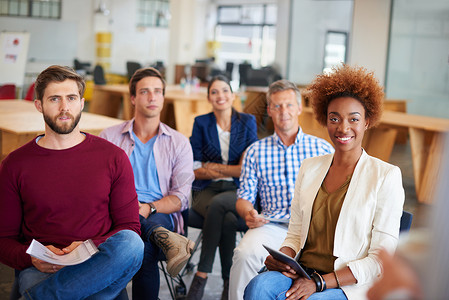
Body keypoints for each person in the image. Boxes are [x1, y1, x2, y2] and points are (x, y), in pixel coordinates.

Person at [244, 64, 405, 300]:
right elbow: (295, 234)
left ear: (367, 121)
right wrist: (283, 257)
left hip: (346, 284)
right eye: (334, 118)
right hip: (303, 272)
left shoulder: (385, 176)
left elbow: (380, 259)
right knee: (257, 288)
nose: (343, 127)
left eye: (354, 119)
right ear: (324, 119)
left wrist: (319, 283)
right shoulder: (310, 168)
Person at [0, 65, 144, 299]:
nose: (64, 108)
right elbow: (3, 240)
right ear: (39, 105)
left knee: (132, 244)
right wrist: (32, 257)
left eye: (71, 98)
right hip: (44, 269)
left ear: (81, 103)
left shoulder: (113, 157)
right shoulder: (15, 165)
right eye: (55, 98)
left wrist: (90, 247)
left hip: (99, 261)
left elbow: (129, 228)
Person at [229, 79, 334, 300]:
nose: (283, 111)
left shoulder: (323, 149)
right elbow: (243, 198)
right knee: (244, 254)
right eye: (276, 106)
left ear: (298, 108)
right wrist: (249, 212)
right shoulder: (255, 151)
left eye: (288, 105)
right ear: (269, 110)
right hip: (272, 226)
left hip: (311, 229)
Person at [100, 67, 195, 300]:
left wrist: (149, 208)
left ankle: (157, 234)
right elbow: (99, 188)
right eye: (144, 92)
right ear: (133, 98)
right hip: (116, 210)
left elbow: (181, 197)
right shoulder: (109, 138)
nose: (152, 97)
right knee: (146, 240)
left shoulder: (179, 143)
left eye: (157, 91)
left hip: (160, 212)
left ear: (163, 97)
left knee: (145, 247)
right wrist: (129, 207)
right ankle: (167, 240)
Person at [186, 75, 258, 300]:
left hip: (237, 190)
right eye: (214, 92)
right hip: (204, 189)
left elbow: (247, 167)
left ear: (233, 95)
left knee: (221, 207)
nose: (220, 96)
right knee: (226, 217)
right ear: (208, 97)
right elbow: (195, 168)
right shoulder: (201, 123)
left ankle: (201, 276)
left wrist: (214, 167)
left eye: (225, 91)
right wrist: (230, 168)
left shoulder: (247, 122)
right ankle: (229, 284)